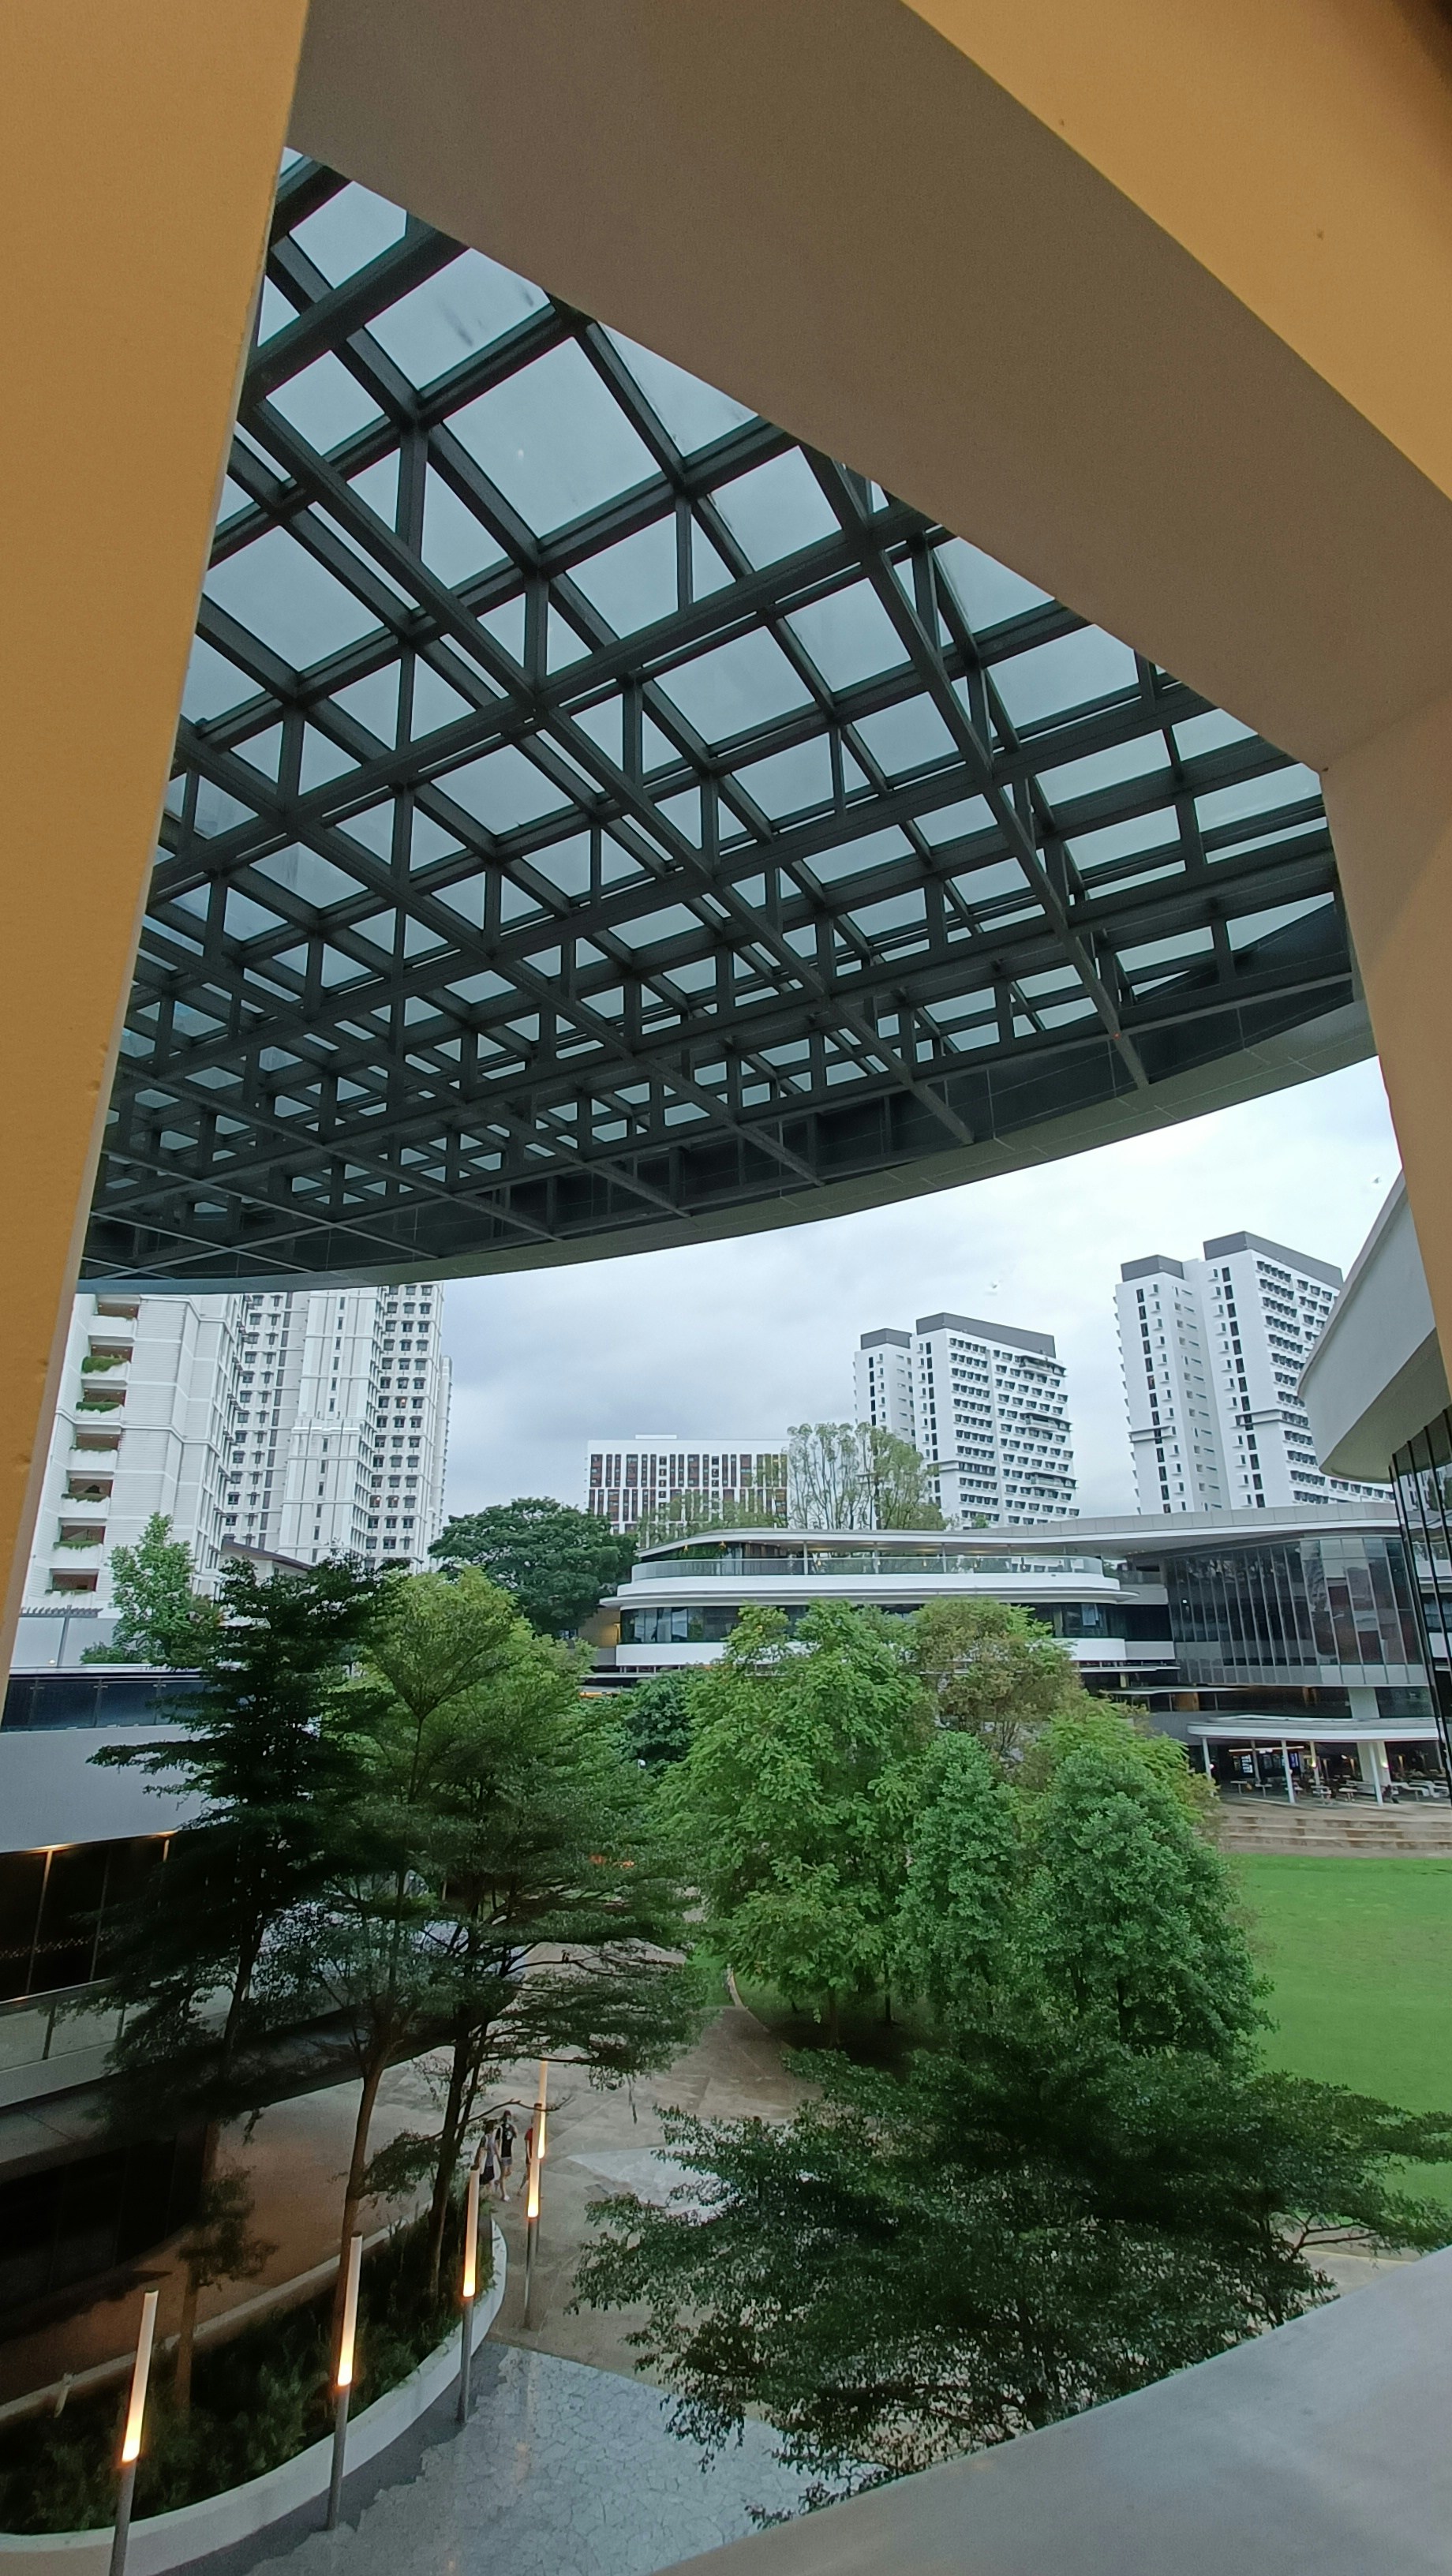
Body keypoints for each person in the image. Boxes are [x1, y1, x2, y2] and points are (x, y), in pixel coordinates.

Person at [498, 2110, 516, 2198]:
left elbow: (515, 2136)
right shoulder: (501, 2128)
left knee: (509, 2172)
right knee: (503, 2173)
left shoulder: (512, 2128)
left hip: (509, 2153)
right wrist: (499, 2154)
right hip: (503, 2154)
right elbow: (499, 2142)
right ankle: (504, 2194)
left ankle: (499, 2181)